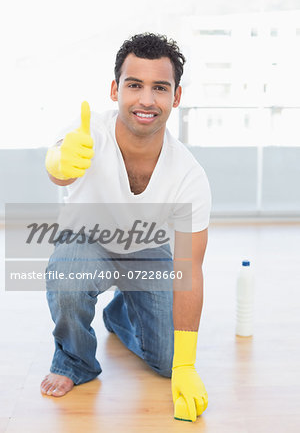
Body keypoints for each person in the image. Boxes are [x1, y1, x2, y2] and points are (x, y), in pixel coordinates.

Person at [42, 33, 211, 423]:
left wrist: (185, 366)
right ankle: (75, 361)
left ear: (177, 97)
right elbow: (58, 169)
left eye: (160, 88)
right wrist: (58, 163)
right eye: (134, 85)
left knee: (168, 362)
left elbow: (190, 268)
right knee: (68, 276)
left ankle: (119, 315)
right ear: (116, 89)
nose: (146, 100)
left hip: (146, 252)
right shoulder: (88, 133)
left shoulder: (189, 175)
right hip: (84, 242)